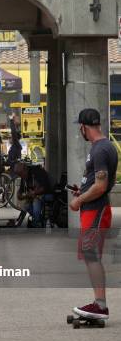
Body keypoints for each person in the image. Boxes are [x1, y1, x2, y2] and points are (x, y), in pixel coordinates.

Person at [69, 108, 118, 320]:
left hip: (95, 210)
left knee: (91, 255)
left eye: (80, 127)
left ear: (83, 127)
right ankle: (99, 304)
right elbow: (99, 182)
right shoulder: (102, 147)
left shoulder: (100, 149)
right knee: (90, 255)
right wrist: (82, 190)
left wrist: (79, 200)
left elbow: (101, 185)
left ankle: (100, 305)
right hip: (94, 208)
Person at [12, 161, 53, 227]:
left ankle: (36, 223)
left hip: (47, 194)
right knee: (26, 206)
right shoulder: (24, 176)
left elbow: (45, 188)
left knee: (36, 201)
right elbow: (21, 191)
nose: (20, 176)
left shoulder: (38, 172)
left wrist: (34, 193)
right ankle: (38, 219)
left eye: (20, 174)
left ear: (25, 170)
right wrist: (20, 194)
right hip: (35, 196)